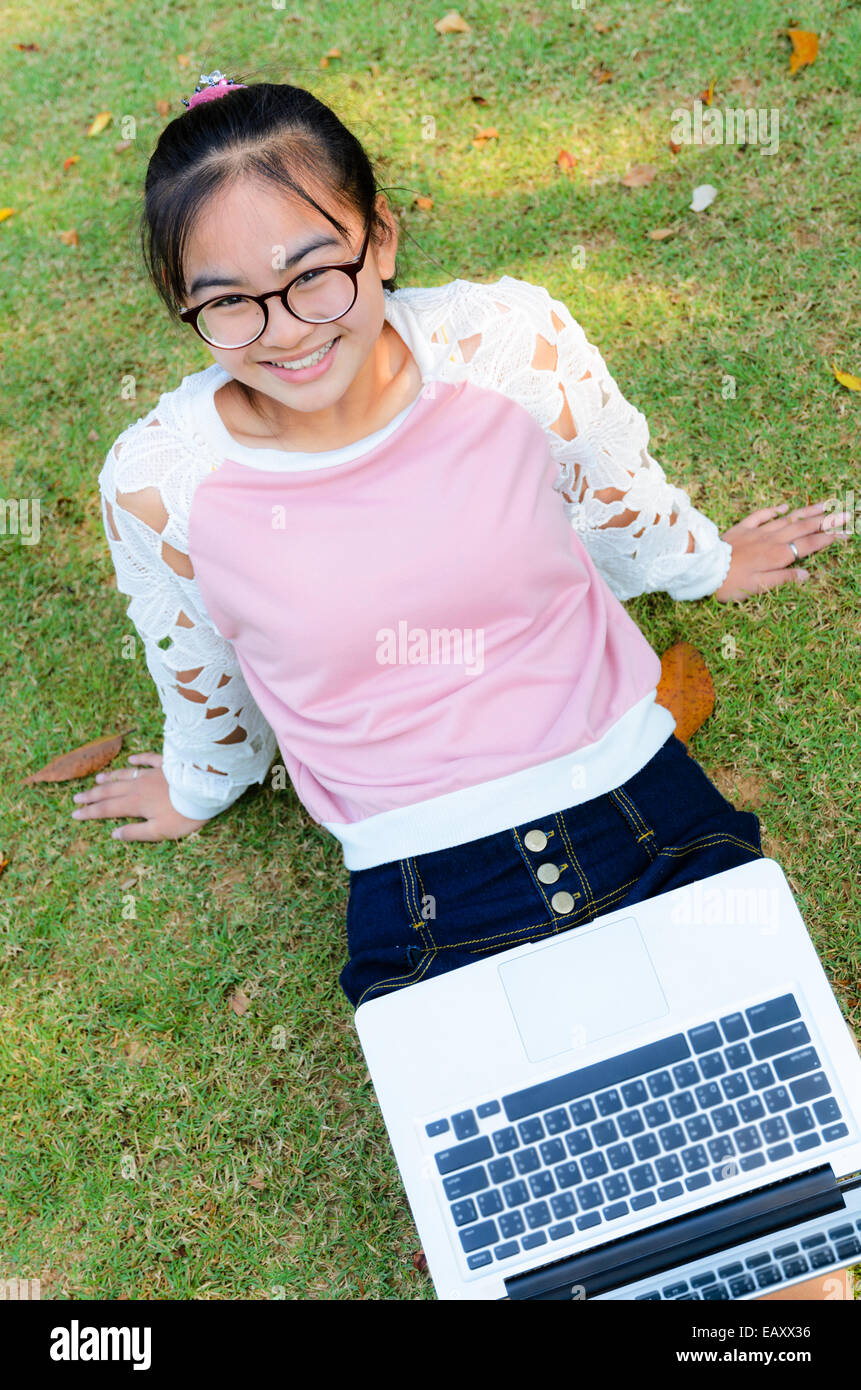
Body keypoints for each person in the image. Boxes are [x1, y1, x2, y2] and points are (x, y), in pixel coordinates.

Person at [82, 72, 852, 1300]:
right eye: (227, 304)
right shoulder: (165, 480)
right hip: (425, 895)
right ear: (187, 311)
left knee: (796, 1246)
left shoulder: (509, 343)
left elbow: (614, 498)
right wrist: (199, 784)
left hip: (643, 807)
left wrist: (707, 561)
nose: (284, 329)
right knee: (557, 1267)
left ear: (379, 235)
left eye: (314, 270)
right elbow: (201, 669)